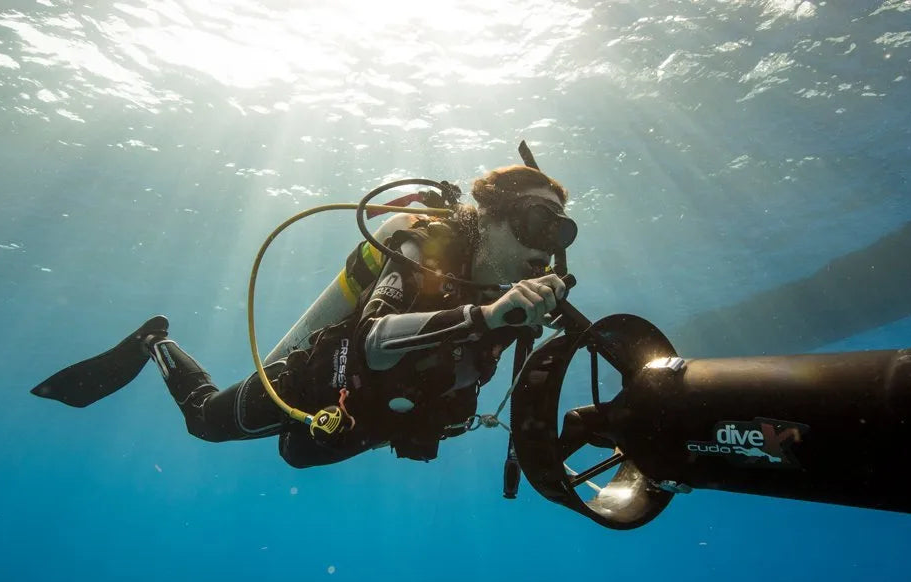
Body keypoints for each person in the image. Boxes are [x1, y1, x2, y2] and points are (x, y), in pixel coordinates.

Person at [31, 162, 576, 468]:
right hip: (313, 379)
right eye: (537, 221)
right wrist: (487, 316)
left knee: (296, 453)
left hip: (374, 416)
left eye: (560, 230)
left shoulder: (520, 299)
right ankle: (154, 340)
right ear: (492, 218)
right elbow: (372, 338)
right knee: (206, 423)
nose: (549, 242)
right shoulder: (426, 248)